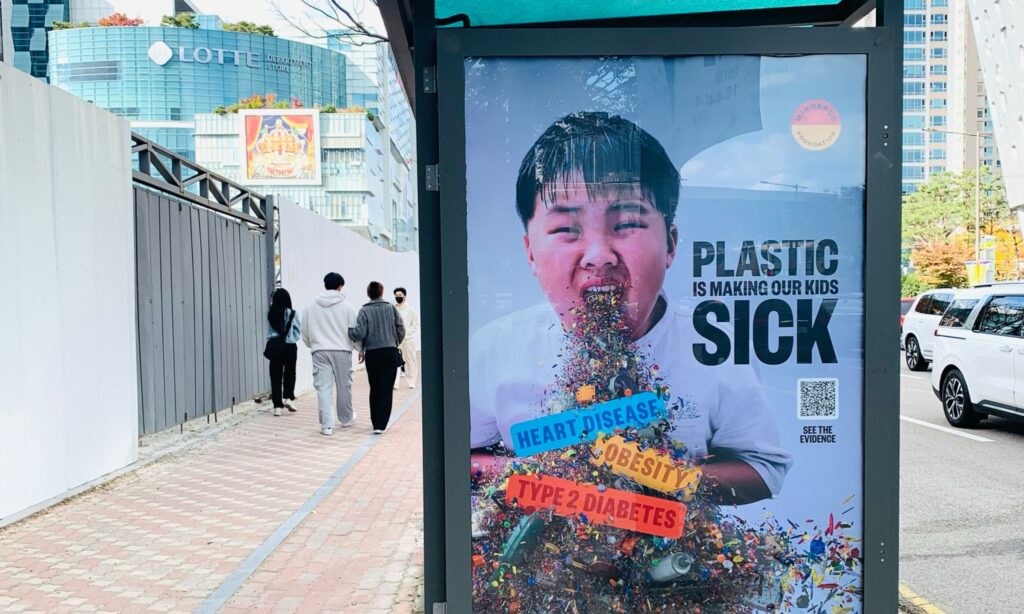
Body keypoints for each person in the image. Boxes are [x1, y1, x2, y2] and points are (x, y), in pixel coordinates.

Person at [469, 111, 792, 505]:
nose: (599, 255)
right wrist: (549, 482)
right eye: (566, 230)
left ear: (670, 244)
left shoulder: (713, 348)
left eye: (625, 224)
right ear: (530, 253)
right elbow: (460, 457)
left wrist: (658, 477)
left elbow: (764, 467)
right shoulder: (493, 351)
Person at [301, 272, 360, 436]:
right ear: (340, 286)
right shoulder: (347, 306)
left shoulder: (310, 306)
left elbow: (304, 330)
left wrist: (312, 344)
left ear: (325, 284)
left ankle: (327, 425)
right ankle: (346, 419)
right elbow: (354, 330)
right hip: (342, 350)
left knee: (323, 388)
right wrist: (358, 347)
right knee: (344, 386)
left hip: (320, 350)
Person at [349, 281, 405, 434]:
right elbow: (401, 328)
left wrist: (350, 333)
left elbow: (360, 333)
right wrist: (395, 341)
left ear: (368, 293)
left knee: (375, 387)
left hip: (373, 353)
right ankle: (382, 423)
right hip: (389, 351)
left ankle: (376, 423)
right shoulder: (391, 308)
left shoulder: (364, 310)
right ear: (381, 292)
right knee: (387, 388)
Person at [266, 288, 301, 417]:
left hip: (275, 346)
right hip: (290, 347)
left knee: (275, 375)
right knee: (290, 372)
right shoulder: (293, 313)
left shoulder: (271, 314)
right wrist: (291, 337)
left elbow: (270, 332)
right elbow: (298, 331)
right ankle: (288, 398)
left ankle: (277, 407)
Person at [393, 287, 420, 389]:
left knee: (410, 360)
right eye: (396, 295)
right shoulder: (393, 309)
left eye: (400, 295)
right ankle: (395, 383)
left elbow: (415, 323)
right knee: (395, 361)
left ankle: (411, 381)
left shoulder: (410, 309)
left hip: (408, 339)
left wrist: (407, 333)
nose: (398, 297)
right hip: (396, 340)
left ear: (404, 297)